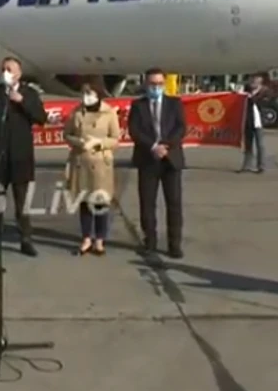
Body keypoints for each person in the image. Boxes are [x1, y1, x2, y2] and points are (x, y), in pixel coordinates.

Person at [0, 57, 47, 258]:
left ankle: (26, 240)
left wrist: (22, 102)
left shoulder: (29, 93)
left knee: (22, 204)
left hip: (20, 158)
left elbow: (40, 118)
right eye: (3, 68)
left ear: (19, 73)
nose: (5, 72)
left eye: (9, 69)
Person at [128, 67, 187, 258]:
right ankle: (150, 242)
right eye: (153, 84)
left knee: (174, 204)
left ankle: (174, 245)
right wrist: (153, 146)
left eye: (160, 84)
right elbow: (134, 131)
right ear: (146, 84)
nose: (156, 87)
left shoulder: (175, 103)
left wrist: (165, 146)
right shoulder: (138, 106)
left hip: (171, 160)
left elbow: (181, 128)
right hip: (148, 159)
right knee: (147, 203)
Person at [63, 82, 121, 256]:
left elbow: (115, 138)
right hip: (81, 161)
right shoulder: (76, 112)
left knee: (101, 202)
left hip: (101, 162)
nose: (86, 97)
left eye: (90, 94)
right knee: (85, 201)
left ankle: (100, 240)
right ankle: (86, 238)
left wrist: (100, 143)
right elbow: (67, 134)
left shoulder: (109, 113)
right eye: (84, 93)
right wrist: (78, 142)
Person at [239, 74, 266, 174]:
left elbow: (263, 102)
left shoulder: (264, 91)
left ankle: (261, 166)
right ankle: (246, 166)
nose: (251, 83)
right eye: (251, 81)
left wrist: (252, 97)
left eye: (253, 81)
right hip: (248, 121)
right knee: (248, 145)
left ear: (259, 81)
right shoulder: (247, 91)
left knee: (260, 145)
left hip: (258, 122)